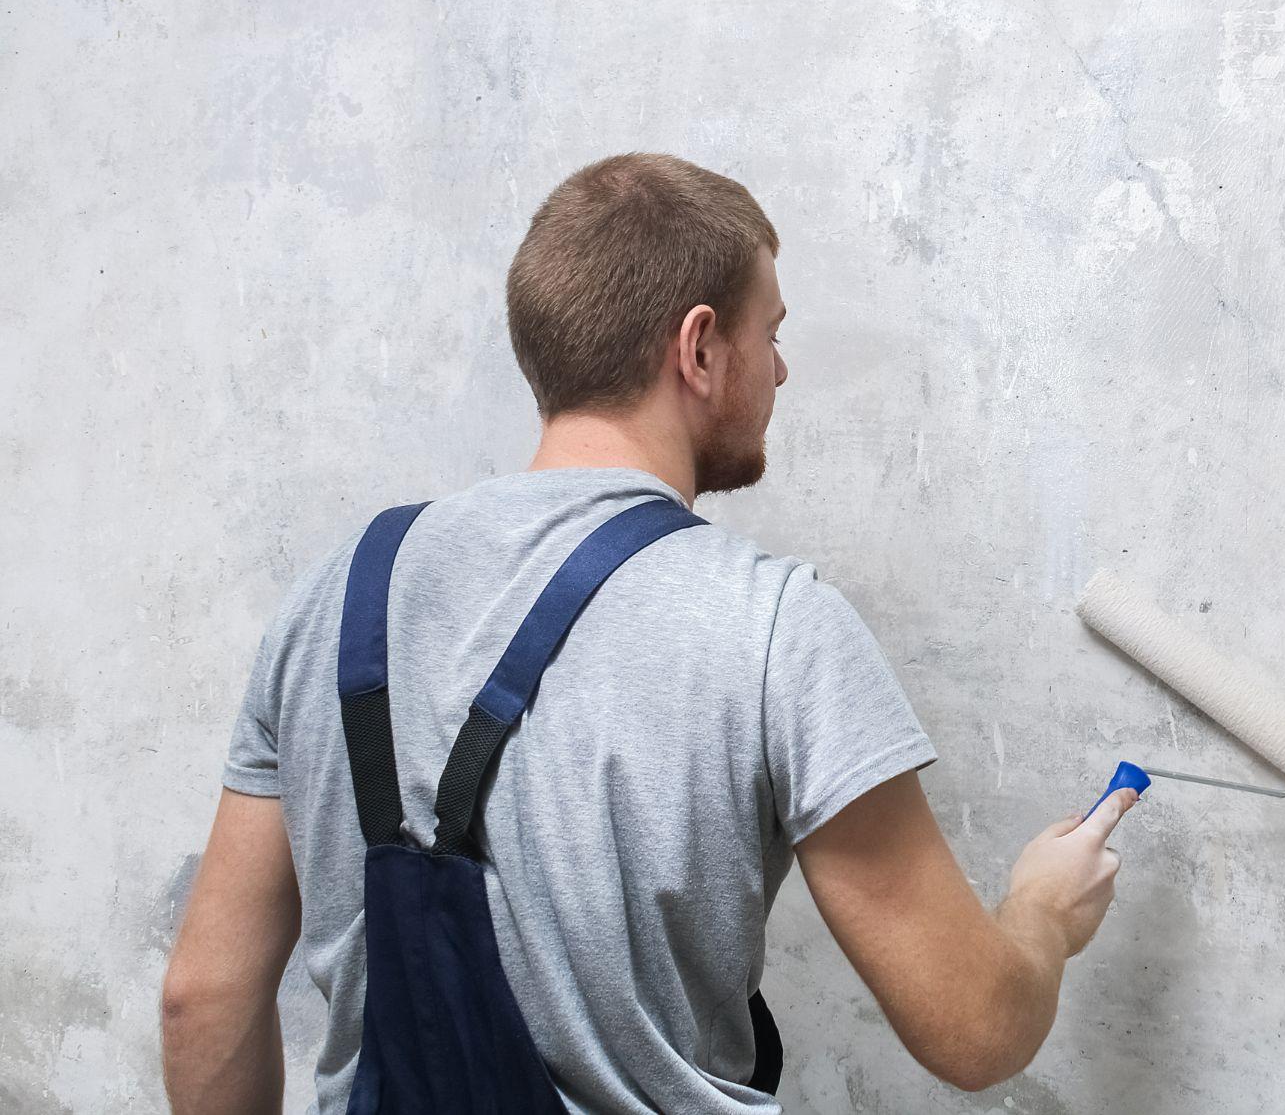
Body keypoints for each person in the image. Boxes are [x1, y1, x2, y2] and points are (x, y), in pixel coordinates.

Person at [159, 152, 1139, 1113]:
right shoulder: (774, 627)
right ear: (700, 347)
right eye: (772, 333)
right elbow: (971, 1027)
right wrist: (1044, 910)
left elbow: (201, 997)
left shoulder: (334, 595)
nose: (782, 369)